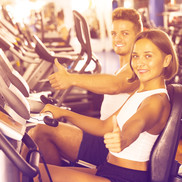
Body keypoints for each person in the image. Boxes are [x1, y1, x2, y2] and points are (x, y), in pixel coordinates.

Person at [34, 29, 179, 182]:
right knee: (39, 174)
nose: (139, 62)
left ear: (166, 60)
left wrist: (123, 138)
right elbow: (104, 126)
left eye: (148, 56)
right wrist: (65, 114)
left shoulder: (156, 101)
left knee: (32, 175)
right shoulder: (141, 92)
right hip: (109, 172)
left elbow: (136, 125)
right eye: (135, 56)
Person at [21, 8, 143, 167]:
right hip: (103, 136)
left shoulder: (137, 67)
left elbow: (115, 85)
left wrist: (71, 79)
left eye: (125, 33)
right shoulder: (122, 67)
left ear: (138, 36)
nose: (117, 38)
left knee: (40, 132)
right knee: (39, 133)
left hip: (112, 147)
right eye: (114, 33)